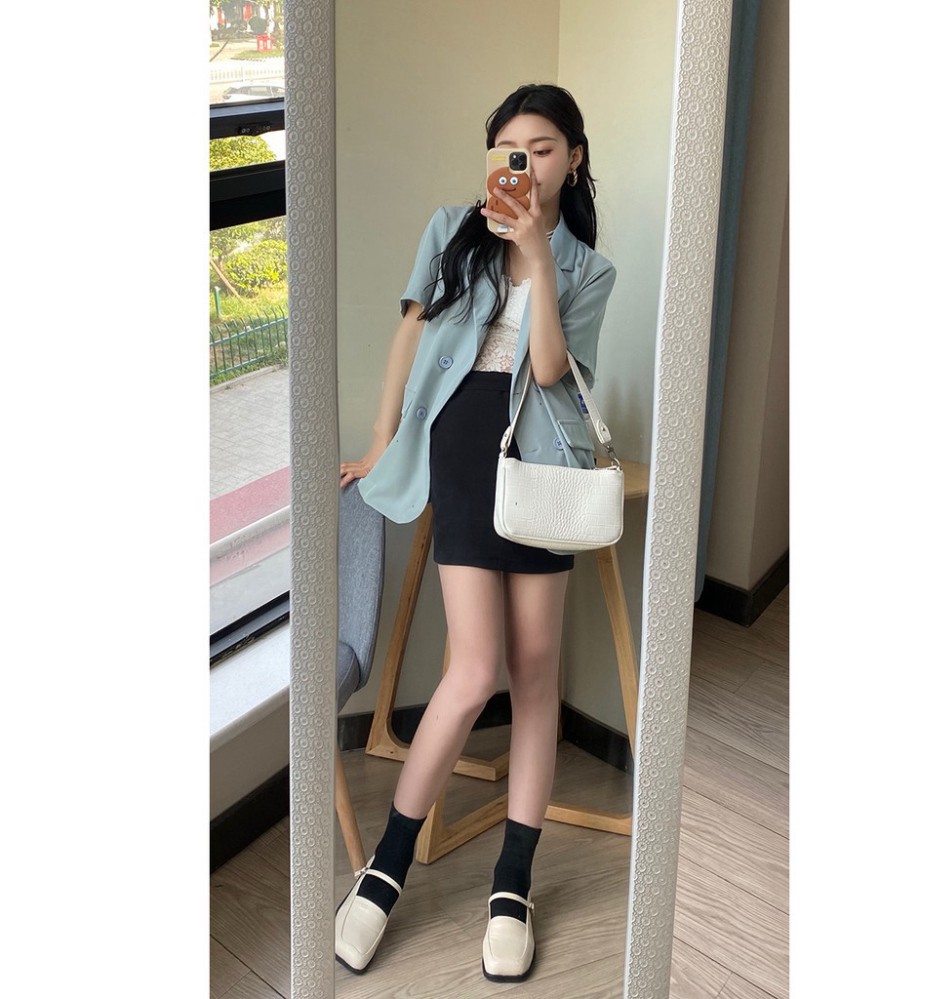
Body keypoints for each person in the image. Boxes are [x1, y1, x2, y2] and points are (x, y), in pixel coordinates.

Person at [335, 83, 616, 983]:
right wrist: (381, 441)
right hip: (459, 452)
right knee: (472, 670)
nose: (523, 163)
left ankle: (511, 885)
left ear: (573, 157)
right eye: (508, 148)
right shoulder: (450, 230)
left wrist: (536, 254)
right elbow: (409, 339)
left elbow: (550, 370)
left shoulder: (586, 268)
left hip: (538, 468)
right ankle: (383, 870)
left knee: (534, 674)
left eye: (542, 147)